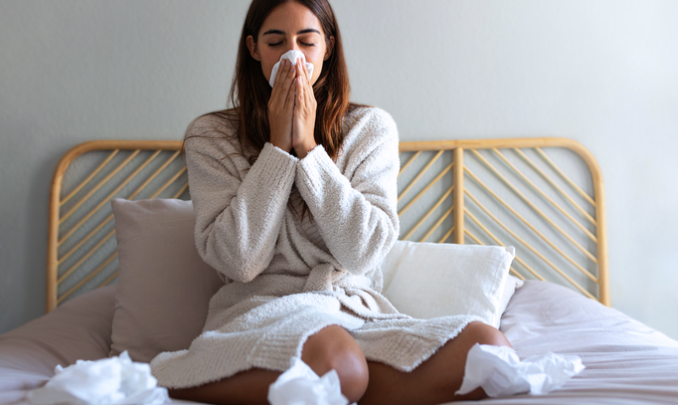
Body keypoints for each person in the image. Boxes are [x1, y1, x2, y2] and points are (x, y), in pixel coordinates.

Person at [150, 1, 512, 404]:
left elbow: (364, 253)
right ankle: (186, 375)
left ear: (328, 47)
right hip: (262, 316)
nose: (293, 56)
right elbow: (239, 260)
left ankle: (339, 387)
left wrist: (308, 150)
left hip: (353, 315)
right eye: (276, 42)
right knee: (337, 360)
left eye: (307, 41)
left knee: (489, 352)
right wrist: (276, 149)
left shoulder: (369, 129)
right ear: (254, 48)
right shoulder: (211, 136)